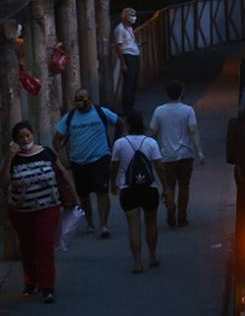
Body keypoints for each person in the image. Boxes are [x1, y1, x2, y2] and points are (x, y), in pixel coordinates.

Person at [2, 121, 76, 303]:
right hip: (22, 210)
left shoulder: (46, 152)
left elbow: (62, 173)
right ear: (15, 140)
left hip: (48, 207)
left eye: (28, 135)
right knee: (28, 247)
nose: (25, 139)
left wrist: (73, 195)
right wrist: (10, 157)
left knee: (44, 245)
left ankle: (47, 286)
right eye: (21, 137)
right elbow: (4, 183)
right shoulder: (13, 158)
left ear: (33, 135)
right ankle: (30, 282)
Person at [54, 87, 120, 238]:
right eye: (76, 98)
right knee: (83, 195)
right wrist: (63, 158)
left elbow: (119, 122)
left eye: (81, 97)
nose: (78, 100)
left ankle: (104, 224)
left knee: (102, 191)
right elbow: (57, 139)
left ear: (89, 99)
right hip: (78, 162)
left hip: (100, 158)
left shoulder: (100, 112)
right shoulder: (70, 117)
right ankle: (89, 223)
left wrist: (116, 143)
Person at [111, 111, 163, 273]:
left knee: (133, 226)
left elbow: (114, 167)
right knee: (151, 223)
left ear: (128, 125)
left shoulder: (119, 143)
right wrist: (167, 187)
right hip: (149, 188)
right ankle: (153, 256)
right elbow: (159, 167)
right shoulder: (151, 143)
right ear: (142, 124)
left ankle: (137, 262)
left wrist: (113, 183)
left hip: (129, 188)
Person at [149, 80, 205, 228]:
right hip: (186, 154)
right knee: (184, 186)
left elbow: (153, 132)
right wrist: (199, 152)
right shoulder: (188, 110)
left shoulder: (159, 111)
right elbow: (193, 131)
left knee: (169, 185)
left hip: (167, 155)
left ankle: (170, 207)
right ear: (181, 93)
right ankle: (182, 216)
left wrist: (150, 152)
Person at [114, 6, 141, 115]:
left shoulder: (129, 28)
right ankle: (127, 108)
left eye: (134, 15)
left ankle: (131, 106)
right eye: (131, 15)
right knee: (129, 83)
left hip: (135, 54)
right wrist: (123, 63)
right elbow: (118, 46)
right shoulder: (120, 29)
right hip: (127, 56)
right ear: (124, 16)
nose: (133, 18)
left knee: (134, 81)